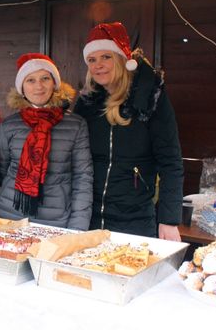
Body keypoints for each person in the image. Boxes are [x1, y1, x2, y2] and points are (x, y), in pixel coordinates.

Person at [74, 22, 183, 241]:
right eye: (92, 60)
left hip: (135, 220)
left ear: (122, 59)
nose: (98, 65)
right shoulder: (87, 103)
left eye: (106, 57)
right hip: (89, 218)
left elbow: (170, 161)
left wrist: (169, 220)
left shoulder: (150, 98)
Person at [0, 53, 93, 230]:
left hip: (56, 220)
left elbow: (83, 178)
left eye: (45, 78)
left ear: (54, 83)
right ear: (22, 88)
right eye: (30, 80)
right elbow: (3, 171)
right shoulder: (9, 125)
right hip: (9, 216)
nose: (38, 86)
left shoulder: (76, 125)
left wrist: (78, 227)